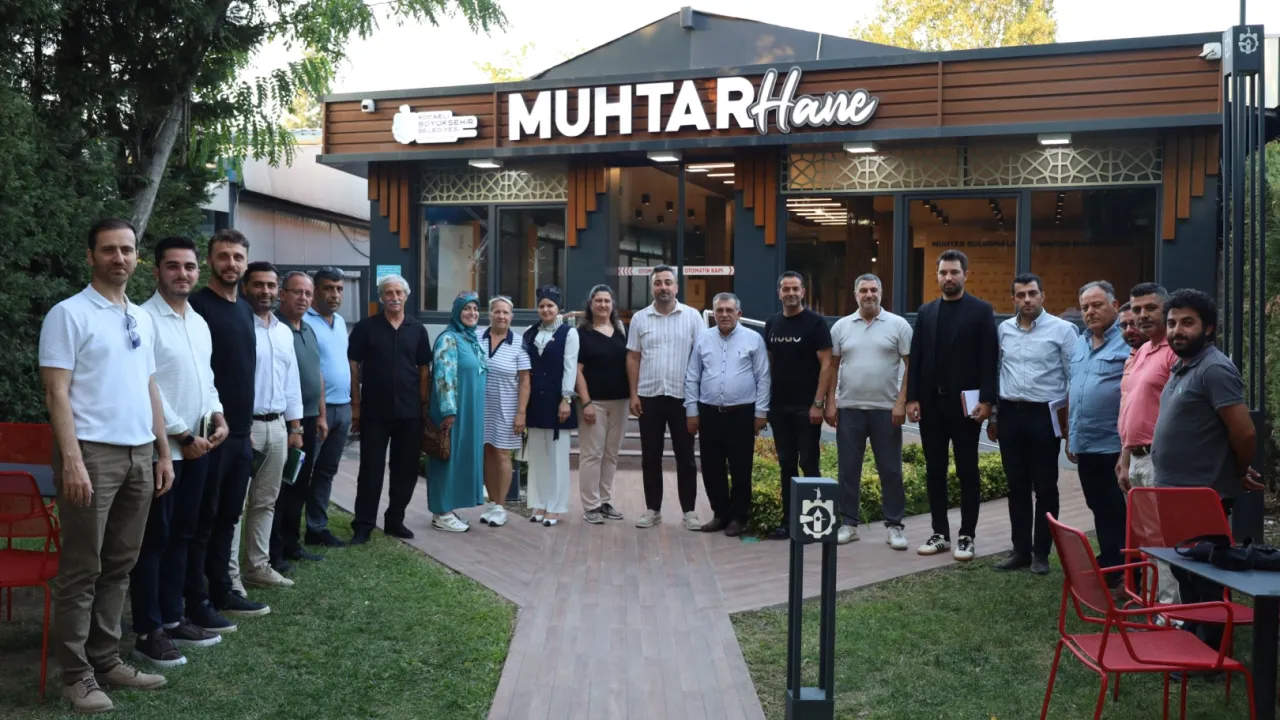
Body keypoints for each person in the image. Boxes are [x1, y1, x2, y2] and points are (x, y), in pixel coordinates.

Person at [39, 218, 174, 712]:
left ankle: (106, 659)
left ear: (138, 257)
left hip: (140, 454)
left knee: (119, 566)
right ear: (90, 256)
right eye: (109, 250)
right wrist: (72, 460)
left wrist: (162, 452)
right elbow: (56, 392)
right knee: (82, 569)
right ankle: (76, 677)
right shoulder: (68, 314)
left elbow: (149, 386)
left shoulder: (140, 316)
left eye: (127, 249)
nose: (119, 258)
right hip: (92, 454)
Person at [131, 236, 227, 669]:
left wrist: (218, 415)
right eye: (172, 266)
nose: (182, 273)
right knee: (155, 541)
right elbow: (147, 385)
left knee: (184, 535)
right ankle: (147, 631)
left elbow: (205, 379)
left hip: (199, 448)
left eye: (189, 266)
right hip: (163, 452)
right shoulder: (143, 320)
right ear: (156, 271)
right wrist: (182, 434)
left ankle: (173, 618)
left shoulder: (199, 323)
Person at [1152, 288, 1263, 651]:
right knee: (1185, 569)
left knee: (1206, 574)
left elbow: (1244, 432)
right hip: (1172, 491)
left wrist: (1237, 470)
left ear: (1209, 327)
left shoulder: (1214, 368)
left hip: (1202, 494)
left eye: (1188, 322)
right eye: (1172, 323)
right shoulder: (1182, 366)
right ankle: (1194, 635)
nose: (1177, 330)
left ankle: (1212, 650)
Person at [188, 229, 269, 622]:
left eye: (238, 257)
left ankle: (222, 590)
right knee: (202, 519)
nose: (231, 263)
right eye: (223, 256)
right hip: (208, 433)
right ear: (209, 261)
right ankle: (195, 599)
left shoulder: (244, 311)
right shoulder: (197, 307)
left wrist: (247, 429)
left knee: (228, 517)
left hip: (240, 434)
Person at [904, 249, 998, 561]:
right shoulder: (926, 312)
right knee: (935, 471)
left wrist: (987, 401)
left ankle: (966, 536)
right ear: (937, 275)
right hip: (931, 405)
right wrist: (912, 398)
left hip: (966, 407)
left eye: (954, 272)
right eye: (943, 272)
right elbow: (916, 358)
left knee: (967, 471)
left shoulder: (981, 311)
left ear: (965, 275)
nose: (948, 277)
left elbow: (989, 359)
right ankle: (940, 534)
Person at [989, 273, 1076, 575]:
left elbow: (1073, 377)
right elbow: (997, 371)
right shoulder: (1003, 330)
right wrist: (994, 416)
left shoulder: (1063, 330)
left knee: (1046, 487)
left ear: (1042, 296)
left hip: (1044, 415)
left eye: (1032, 293)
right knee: (1016, 487)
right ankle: (1020, 550)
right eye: (1021, 295)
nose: (1027, 299)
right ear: (1013, 299)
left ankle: (1042, 553)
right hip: (1010, 414)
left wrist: (1069, 424)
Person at [825, 274, 912, 549]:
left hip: (886, 410)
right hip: (849, 409)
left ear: (881, 293)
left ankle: (895, 526)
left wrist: (901, 402)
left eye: (873, 289)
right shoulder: (841, 327)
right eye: (863, 290)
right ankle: (849, 524)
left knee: (891, 470)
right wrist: (830, 402)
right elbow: (832, 367)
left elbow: (911, 366)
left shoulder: (899, 325)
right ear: (855, 295)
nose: (869, 294)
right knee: (848, 469)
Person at [233, 262, 303, 591]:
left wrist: (295, 428)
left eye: (271, 285)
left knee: (266, 501)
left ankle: (258, 566)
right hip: (245, 427)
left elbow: (291, 382)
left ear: (278, 290)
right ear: (245, 287)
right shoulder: (237, 325)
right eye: (258, 284)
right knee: (235, 504)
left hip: (277, 427)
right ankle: (229, 575)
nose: (265, 291)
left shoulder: (282, 330)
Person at [347, 274, 432, 544]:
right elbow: (353, 366)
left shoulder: (417, 329)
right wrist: (356, 405)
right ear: (381, 297)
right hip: (374, 411)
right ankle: (363, 525)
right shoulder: (366, 327)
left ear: (406, 296)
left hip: (410, 412)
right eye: (388, 293)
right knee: (370, 470)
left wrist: (423, 405)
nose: (394, 297)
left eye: (398, 292)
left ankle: (395, 521)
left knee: (405, 470)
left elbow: (424, 369)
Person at [626, 265, 705, 530]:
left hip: (683, 398)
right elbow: (633, 357)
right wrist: (633, 394)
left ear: (676, 287)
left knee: (686, 457)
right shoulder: (640, 318)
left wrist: (697, 398)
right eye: (658, 283)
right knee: (650, 457)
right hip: (649, 396)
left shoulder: (693, 317)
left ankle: (689, 512)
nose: (663, 287)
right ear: (652, 287)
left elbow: (702, 357)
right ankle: (653, 510)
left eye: (668, 282)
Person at [685, 293, 770, 536]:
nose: (724, 314)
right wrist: (691, 411)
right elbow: (692, 377)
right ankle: (720, 514)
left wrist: (760, 413)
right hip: (709, 413)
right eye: (719, 310)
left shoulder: (753, 339)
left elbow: (763, 377)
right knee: (712, 467)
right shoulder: (703, 339)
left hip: (741, 414)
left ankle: (738, 517)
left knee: (741, 467)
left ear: (739, 314)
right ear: (713, 314)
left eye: (729, 310)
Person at [1066, 281, 1131, 596]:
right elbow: (1076, 390)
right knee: (1098, 506)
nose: (1090, 312)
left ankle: (1127, 573)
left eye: (1097, 305)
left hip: (1115, 447)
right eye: (1085, 307)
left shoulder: (1129, 342)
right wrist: (1071, 436)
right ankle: (1110, 564)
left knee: (1119, 510)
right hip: (1086, 445)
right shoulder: (1080, 343)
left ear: (1115, 306)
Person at [1116, 282, 1178, 604]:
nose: (1142, 315)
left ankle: (1171, 614)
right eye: (1137, 309)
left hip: (1160, 460)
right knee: (1148, 541)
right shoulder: (1141, 351)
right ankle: (1153, 605)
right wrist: (1125, 458)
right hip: (1136, 459)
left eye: (1150, 308)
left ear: (1166, 310)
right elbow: (1131, 408)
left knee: (1165, 540)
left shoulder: (1174, 353)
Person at [764, 271, 832, 540]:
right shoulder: (772, 323)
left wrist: (818, 403)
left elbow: (827, 364)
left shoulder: (815, 323)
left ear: (803, 292)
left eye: (795, 289)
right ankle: (789, 522)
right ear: (778, 293)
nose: (791, 293)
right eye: (786, 289)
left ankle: (814, 524)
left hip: (807, 408)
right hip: (780, 408)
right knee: (786, 465)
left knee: (810, 464)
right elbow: (769, 364)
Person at [270, 271, 328, 571]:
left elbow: (317, 373)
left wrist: (321, 414)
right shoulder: (274, 327)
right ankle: (274, 550)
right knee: (280, 487)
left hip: (309, 417)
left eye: (308, 293)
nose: (303, 298)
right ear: (282, 294)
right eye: (297, 292)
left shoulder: (308, 329)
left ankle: (292, 543)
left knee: (300, 483)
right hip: (284, 419)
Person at [427, 292, 487, 532]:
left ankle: (448, 509)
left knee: (459, 458)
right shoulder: (448, 339)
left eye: (475, 309)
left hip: (469, 411)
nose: (472, 313)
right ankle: (441, 513)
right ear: (456, 312)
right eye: (466, 308)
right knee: (446, 458)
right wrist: (448, 411)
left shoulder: (469, 338)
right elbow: (443, 377)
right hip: (452, 412)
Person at [303, 267, 352, 548]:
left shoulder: (341, 322)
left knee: (326, 470)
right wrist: (320, 413)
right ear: (316, 290)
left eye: (339, 289)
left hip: (342, 407)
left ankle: (316, 527)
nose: (335, 294)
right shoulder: (304, 320)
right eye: (328, 288)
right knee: (302, 471)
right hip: (316, 411)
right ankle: (285, 531)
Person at [523, 286, 580, 527]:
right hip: (534, 401)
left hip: (557, 400)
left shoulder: (569, 333)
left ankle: (555, 506)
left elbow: (570, 367)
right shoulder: (530, 332)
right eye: (542, 305)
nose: (546, 309)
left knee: (557, 456)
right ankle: (539, 502)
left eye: (550, 305)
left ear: (558, 308)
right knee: (537, 456)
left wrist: (566, 399)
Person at [575, 285, 629, 524]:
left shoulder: (621, 330)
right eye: (598, 301)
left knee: (611, 455)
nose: (603, 305)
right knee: (592, 455)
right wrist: (586, 402)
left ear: (612, 304)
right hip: (593, 402)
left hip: (620, 402)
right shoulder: (581, 334)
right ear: (590, 304)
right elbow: (577, 371)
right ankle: (591, 506)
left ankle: (605, 501)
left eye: (607, 301)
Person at [478, 296, 530, 528]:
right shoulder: (477, 337)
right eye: (497, 311)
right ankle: (492, 503)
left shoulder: (518, 343)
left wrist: (521, 413)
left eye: (505, 312)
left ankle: (501, 507)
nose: (501, 316)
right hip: (481, 407)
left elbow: (525, 381)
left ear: (512, 317)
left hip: (507, 408)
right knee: (487, 451)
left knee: (502, 454)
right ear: (489, 314)